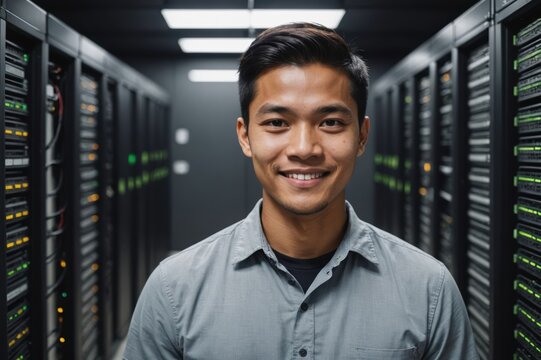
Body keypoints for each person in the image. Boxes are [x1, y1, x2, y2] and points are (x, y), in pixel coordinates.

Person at [123, 23, 479, 359]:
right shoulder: (173, 290)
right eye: (278, 122)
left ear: (362, 136)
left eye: (331, 122)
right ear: (245, 136)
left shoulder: (428, 290)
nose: (305, 147)